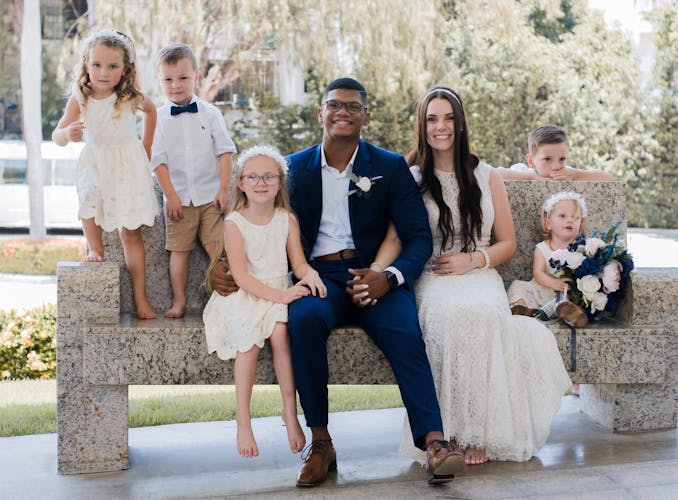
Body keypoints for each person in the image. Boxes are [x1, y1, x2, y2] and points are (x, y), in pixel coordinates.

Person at [210, 77, 464, 486]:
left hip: (374, 276)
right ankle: (321, 442)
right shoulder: (290, 169)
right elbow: (255, 216)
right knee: (305, 322)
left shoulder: (388, 166)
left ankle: (434, 442)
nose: (342, 111)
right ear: (320, 113)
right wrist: (224, 265)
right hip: (316, 277)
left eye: (351, 106)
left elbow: (417, 236)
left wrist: (388, 277)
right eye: (334, 104)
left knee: (405, 330)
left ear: (366, 115)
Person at [371, 86, 571, 464]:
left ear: (460, 124)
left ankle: (479, 431)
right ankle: (447, 433)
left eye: (448, 118)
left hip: (479, 270)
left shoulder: (488, 175)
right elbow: (396, 236)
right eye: (432, 119)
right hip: (434, 273)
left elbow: (507, 243)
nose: (440, 126)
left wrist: (474, 260)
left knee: (483, 312)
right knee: (449, 316)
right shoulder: (410, 177)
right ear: (423, 125)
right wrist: (378, 271)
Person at [203, 145, 324, 458]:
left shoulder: (287, 220)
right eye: (252, 176)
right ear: (241, 183)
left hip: (274, 292)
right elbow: (241, 278)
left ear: (281, 182)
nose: (261, 182)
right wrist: (282, 296)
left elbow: (298, 264)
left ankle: (290, 413)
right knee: (250, 343)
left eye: (269, 176)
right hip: (244, 296)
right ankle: (244, 422)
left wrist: (309, 275)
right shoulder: (234, 223)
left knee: (281, 334)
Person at [52, 29, 158, 319]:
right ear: (86, 64)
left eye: (112, 66)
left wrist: (145, 146)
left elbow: (151, 111)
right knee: (87, 203)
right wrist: (66, 133)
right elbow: (56, 135)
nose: (103, 72)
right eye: (97, 65)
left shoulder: (127, 96)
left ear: (125, 69)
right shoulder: (80, 97)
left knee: (130, 233)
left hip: (126, 167)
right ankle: (96, 249)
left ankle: (140, 298)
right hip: (96, 163)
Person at [151, 43, 237, 318]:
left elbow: (224, 152)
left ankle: (225, 299)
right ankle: (180, 302)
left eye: (183, 78)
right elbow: (158, 162)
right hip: (178, 200)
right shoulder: (159, 118)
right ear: (159, 80)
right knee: (179, 251)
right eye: (168, 79)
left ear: (196, 76)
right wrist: (171, 196)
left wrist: (223, 190)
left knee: (217, 248)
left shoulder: (211, 113)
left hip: (211, 196)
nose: (176, 85)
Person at [507, 191, 590, 328]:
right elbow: (538, 273)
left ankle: (572, 315)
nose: (570, 220)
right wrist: (553, 283)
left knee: (570, 301)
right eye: (562, 216)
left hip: (562, 295)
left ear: (580, 226)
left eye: (576, 218)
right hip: (539, 290)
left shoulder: (580, 250)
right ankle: (521, 307)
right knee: (518, 285)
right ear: (548, 223)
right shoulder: (542, 248)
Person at [498, 125, 614, 180]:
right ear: (531, 160)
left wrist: (577, 174)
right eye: (547, 159)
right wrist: (533, 178)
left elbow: (608, 177)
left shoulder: (568, 173)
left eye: (562, 159)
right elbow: (496, 174)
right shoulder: (524, 172)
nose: (556, 166)